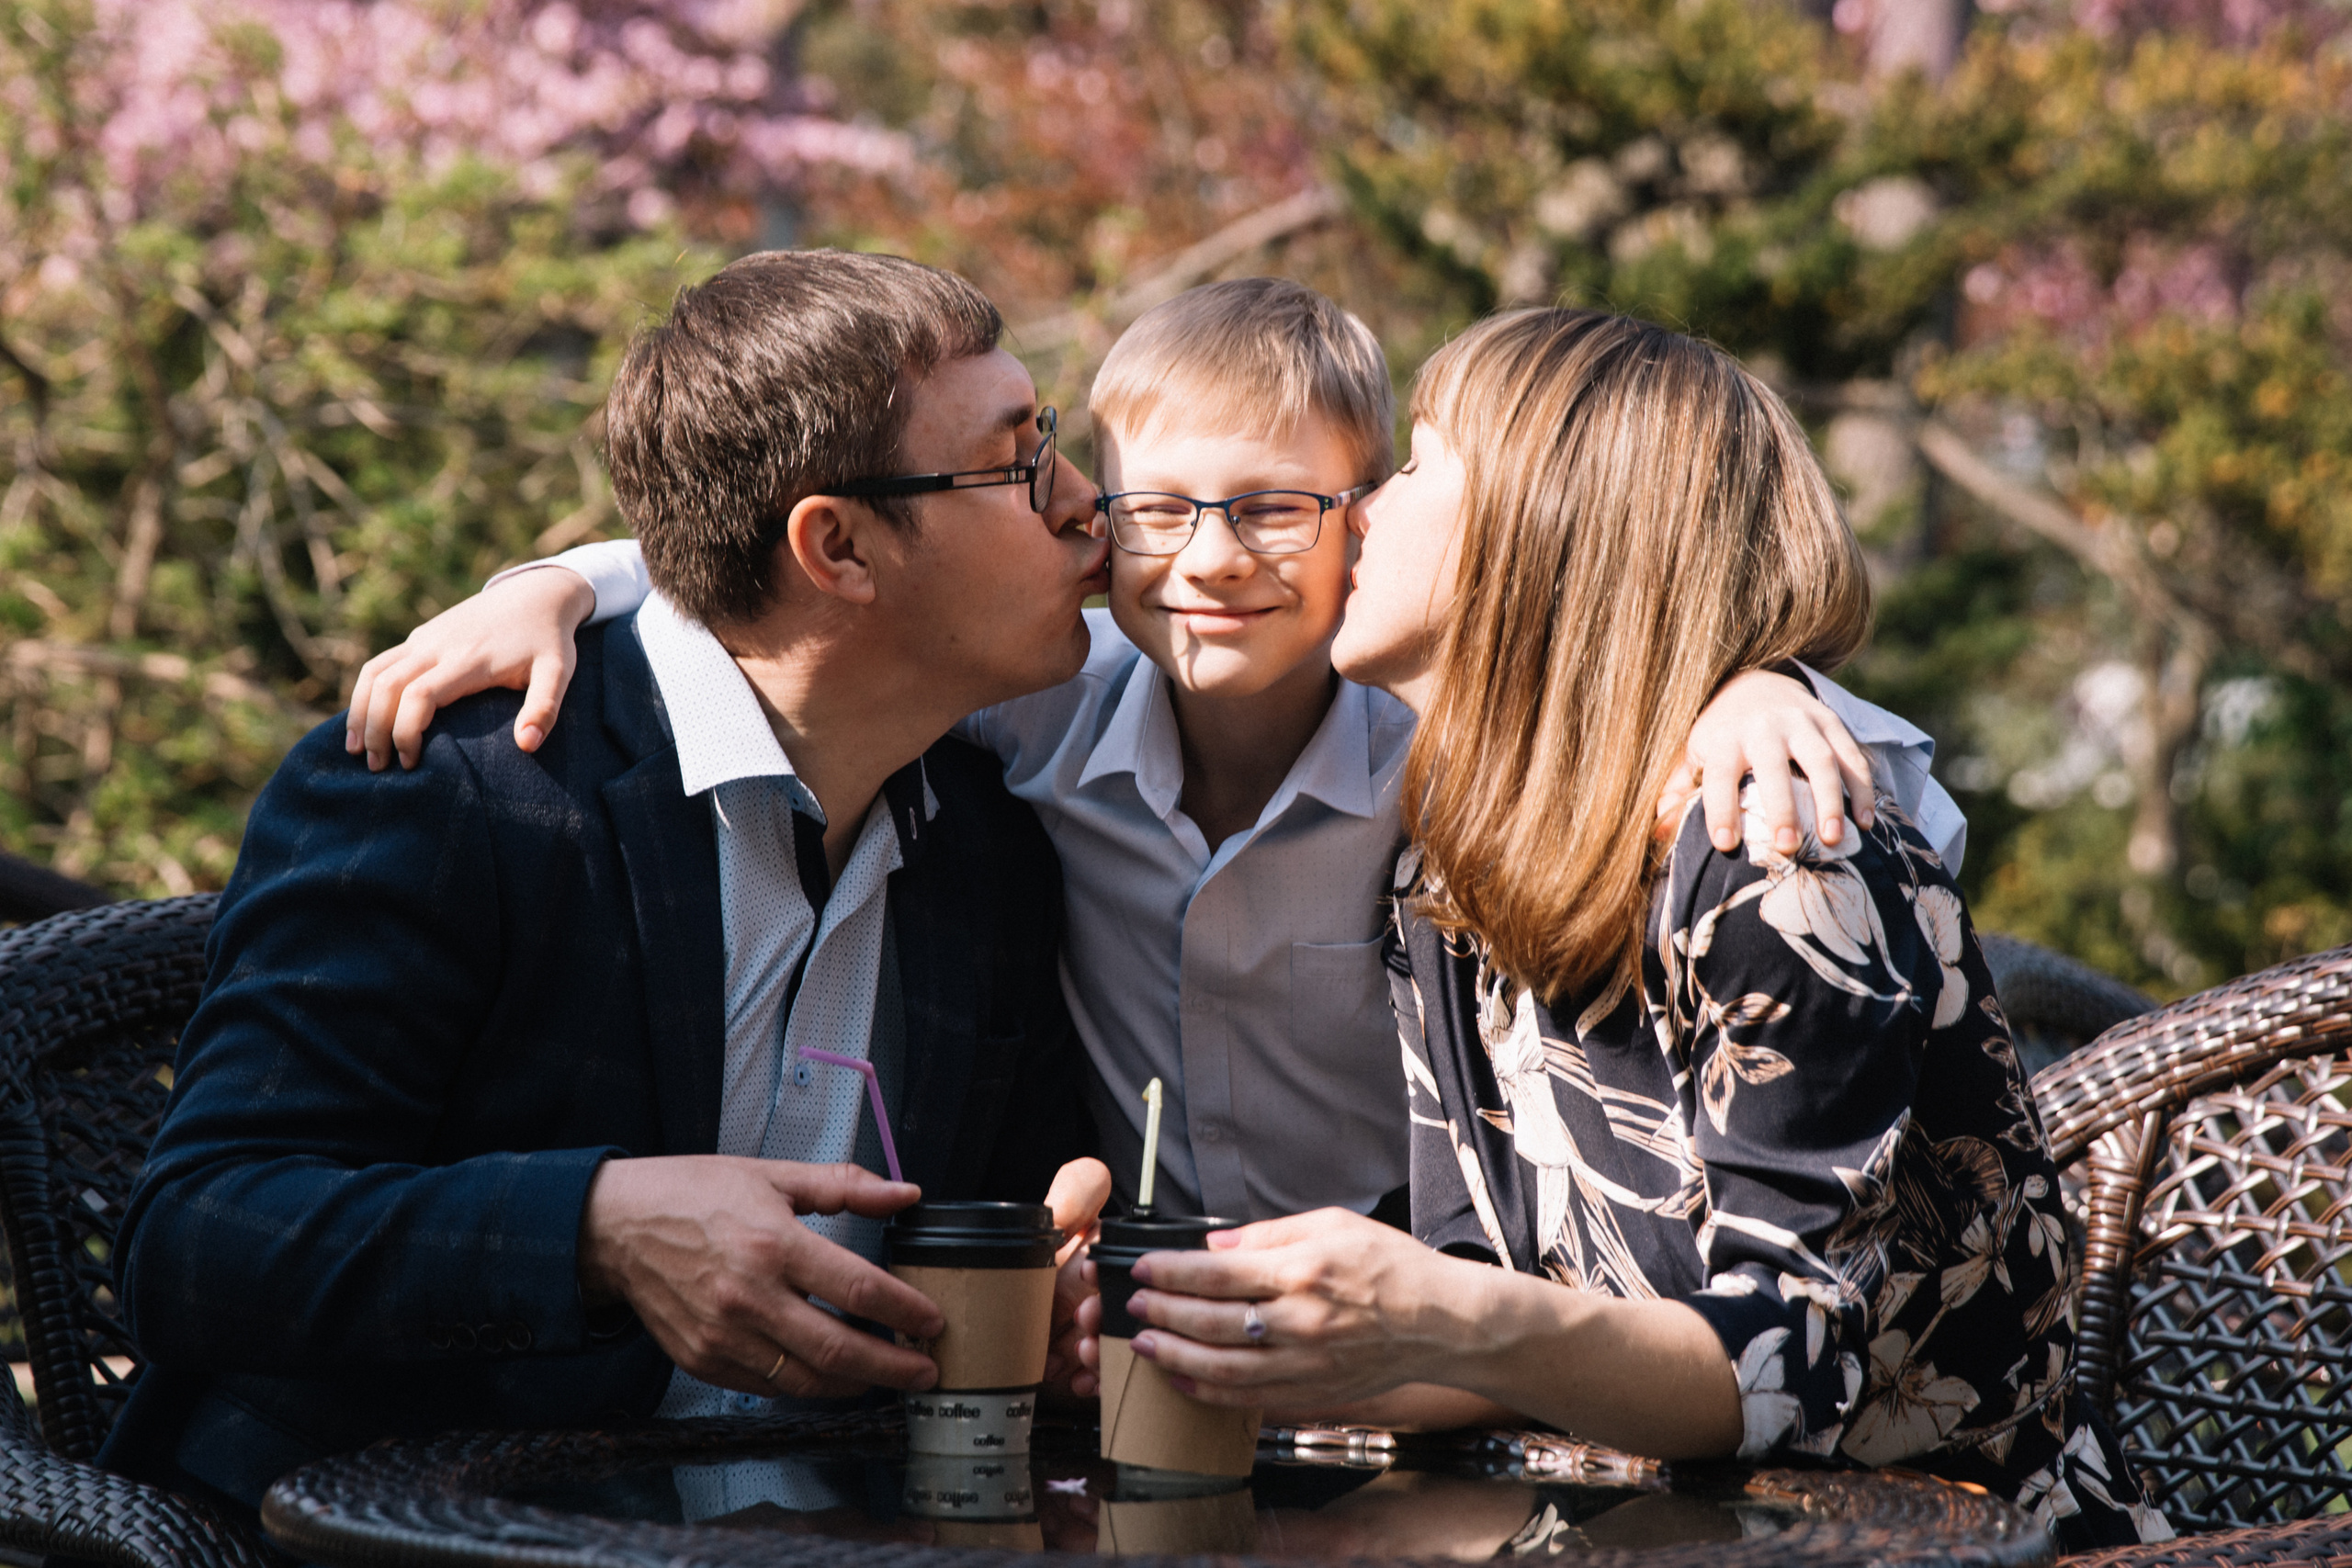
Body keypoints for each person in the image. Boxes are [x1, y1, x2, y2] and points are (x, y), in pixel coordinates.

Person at [345, 278, 1961, 1245]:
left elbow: (1789, 758)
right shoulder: (1035, 706)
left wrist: (1747, 684)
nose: (1210, 560)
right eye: (1157, 510)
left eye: (1276, 509)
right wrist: (563, 581)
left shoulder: (1445, 742)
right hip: (1129, 1317)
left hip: (1430, 1310)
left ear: (1364, 519)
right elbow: (797, 577)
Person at [1097, 308, 2169, 1551]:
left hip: (1941, 1542)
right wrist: (1214, 1343)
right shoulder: (1448, 867)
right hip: (1624, 1529)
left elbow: (1784, 1366)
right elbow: (1497, 1303)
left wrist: (1439, 1316)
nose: (1363, 512)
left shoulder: (1776, 853)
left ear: (1542, 525)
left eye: (1418, 467)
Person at [101, 250, 1110, 1519]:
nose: (1085, 503)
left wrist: (1051, 1301)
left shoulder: (987, 848)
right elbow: (198, 1236)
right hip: (412, 1541)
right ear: (839, 546)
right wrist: (597, 1228)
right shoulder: (455, 790)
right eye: (1020, 462)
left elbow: (1006, 1240)